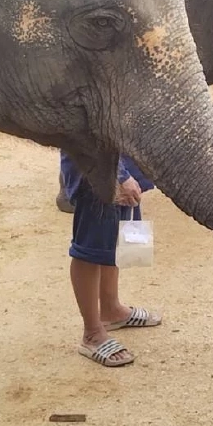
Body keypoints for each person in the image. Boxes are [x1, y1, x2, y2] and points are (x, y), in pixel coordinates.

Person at [61, 153, 162, 368]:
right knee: (90, 249)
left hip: (121, 166)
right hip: (97, 171)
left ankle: (111, 309)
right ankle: (92, 333)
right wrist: (119, 176)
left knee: (112, 240)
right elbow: (90, 136)